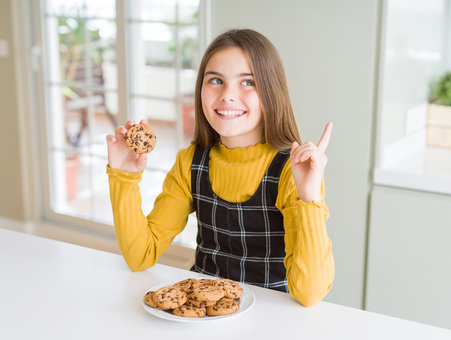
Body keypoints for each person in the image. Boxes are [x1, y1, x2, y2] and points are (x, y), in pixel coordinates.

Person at [106, 29, 334, 307]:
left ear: (271, 91)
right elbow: (140, 255)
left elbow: (310, 294)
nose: (227, 95)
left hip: (273, 321)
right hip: (203, 317)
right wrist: (124, 177)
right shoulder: (191, 161)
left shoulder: (294, 170)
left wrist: (309, 197)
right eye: (216, 80)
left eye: (247, 82)